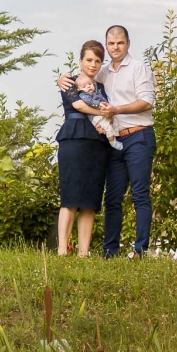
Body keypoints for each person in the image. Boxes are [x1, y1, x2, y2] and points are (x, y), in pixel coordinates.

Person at [58, 25, 156, 258]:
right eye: (111, 44)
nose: (115, 48)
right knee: (112, 197)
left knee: (140, 194)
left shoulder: (138, 69)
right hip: (113, 142)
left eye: (120, 43)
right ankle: (109, 252)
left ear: (128, 44)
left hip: (138, 135)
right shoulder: (102, 74)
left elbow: (147, 101)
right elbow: (82, 80)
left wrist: (114, 110)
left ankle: (140, 251)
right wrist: (62, 78)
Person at [54, 40, 112, 256]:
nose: (93, 64)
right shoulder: (68, 81)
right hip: (73, 139)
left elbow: (110, 110)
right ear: (80, 61)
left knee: (90, 199)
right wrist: (103, 113)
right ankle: (62, 250)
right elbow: (78, 105)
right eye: (89, 59)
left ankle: (83, 252)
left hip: (97, 145)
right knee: (70, 196)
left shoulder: (103, 88)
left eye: (98, 61)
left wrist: (109, 115)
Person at [73, 71, 122, 150]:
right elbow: (89, 101)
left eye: (89, 84)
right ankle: (113, 142)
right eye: (84, 86)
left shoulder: (96, 92)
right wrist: (99, 104)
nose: (88, 87)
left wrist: (107, 106)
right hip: (95, 117)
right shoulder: (84, 95)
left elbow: (103, 99)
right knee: (107, 127)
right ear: (79, 89)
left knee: (114, 123)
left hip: (103, 114)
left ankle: (114, 136)